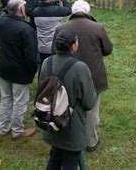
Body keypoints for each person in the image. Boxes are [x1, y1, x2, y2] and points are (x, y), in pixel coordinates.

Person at [52, 0, 113, 152]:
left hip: (66, 75)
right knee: (91, 108)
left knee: (67, 106)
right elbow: (108, 49)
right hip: (93, 75)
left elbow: (54, 49)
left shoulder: (62, 27)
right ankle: (91, 142)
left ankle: (67, 138)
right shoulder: (97, 27)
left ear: (73, 11)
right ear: (88, 12)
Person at [40, 29, 97, 169]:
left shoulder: (46, 63)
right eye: (77, 41)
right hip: (72, 125)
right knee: (71, 161)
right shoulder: (80, 68)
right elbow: (89, 102)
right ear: (73, 46)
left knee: (55, 156)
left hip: (51, 121)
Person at [0, 0, 38, 139]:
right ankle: (17, 131)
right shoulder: (26, 29)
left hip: (4, 67)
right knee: (20, 101)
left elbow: (0, 43)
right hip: (19, 71)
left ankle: (3, 128)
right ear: (21, 9)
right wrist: (32, 70)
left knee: (6, 98)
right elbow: (31, 56)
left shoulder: (2, 22)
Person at [32, 0, 72, 67]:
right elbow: (68, 10)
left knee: (43, 66)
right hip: (54, 46)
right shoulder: (56, 10)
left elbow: (45, 6)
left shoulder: (35, 11)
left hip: (41, 46)